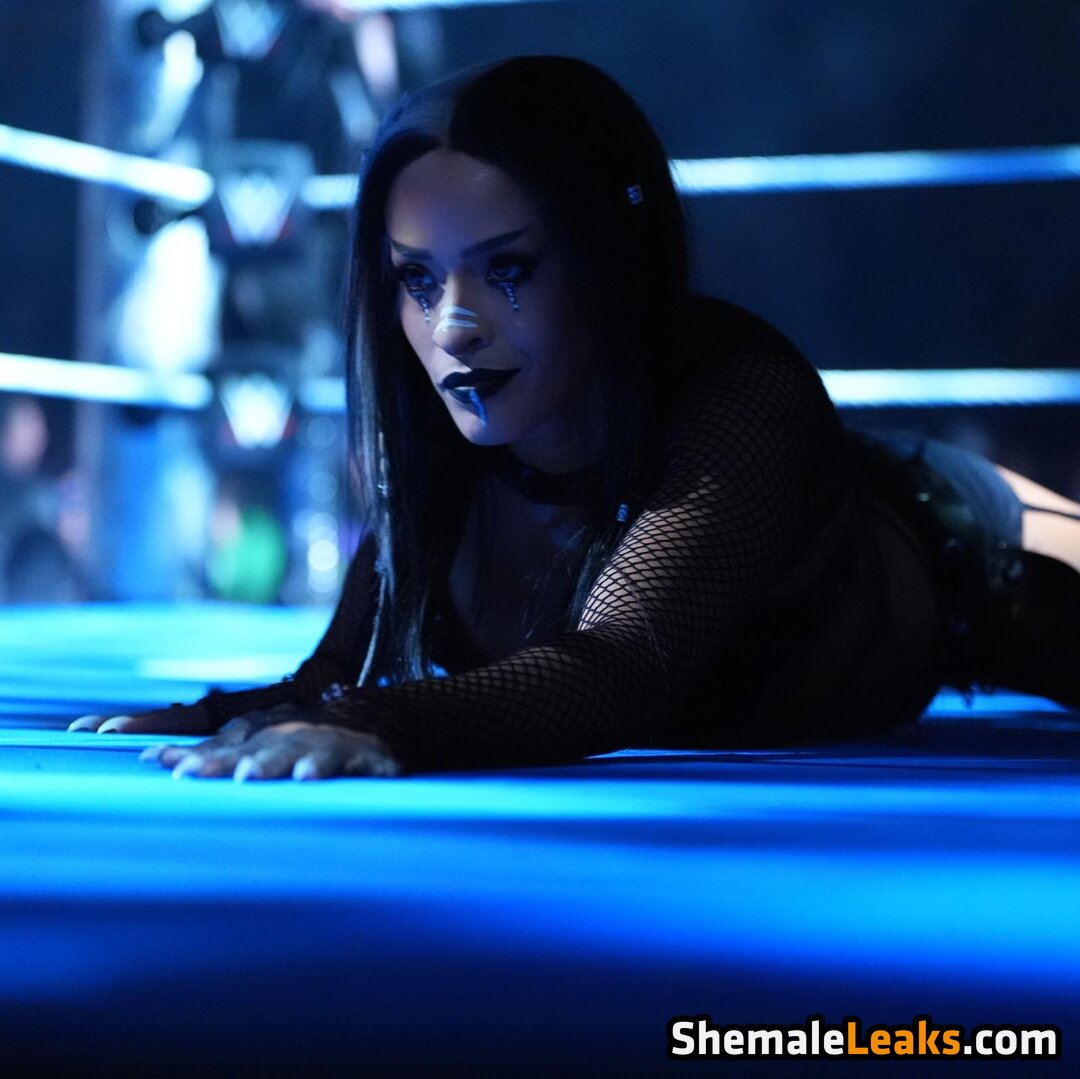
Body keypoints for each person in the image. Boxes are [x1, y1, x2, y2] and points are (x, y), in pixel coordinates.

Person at [71, 55, 1080, 780]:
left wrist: (394, 724)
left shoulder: (741, 399)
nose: (453, 325)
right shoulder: (441, 437)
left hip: (969, 550)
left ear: (608, 263)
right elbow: (341, 669)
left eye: (509, 268)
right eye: (417, 278)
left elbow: (623, 664)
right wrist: (241, 713)